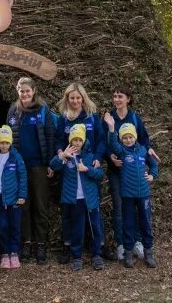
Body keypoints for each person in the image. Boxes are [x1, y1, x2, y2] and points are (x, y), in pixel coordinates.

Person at [102, 86, 161, 261]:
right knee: (120, 207)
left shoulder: (135, 118)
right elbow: (103, 141)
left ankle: (137, 242)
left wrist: (149, 152)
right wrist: (110, 156)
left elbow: (143, 140)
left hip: (134, 173)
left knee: (138, 208)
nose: (116, 99)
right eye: (114, 96)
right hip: (116, 171)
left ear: (128, 98)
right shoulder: (108, 118)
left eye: (120, 96)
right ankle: (122, 244)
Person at [54, 83, 108, 264]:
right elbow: (58, 140)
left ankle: (98, 247)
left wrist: (98, 158)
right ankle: (69, 246)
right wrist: (62, 153)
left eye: (78, 98)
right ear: (67, 99)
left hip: (89, 167)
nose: (75, 101)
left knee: (94, 209)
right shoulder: (64, 118)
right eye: (72, 98)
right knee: (70, 212)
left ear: (83, 98)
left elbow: (101, 139)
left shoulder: (91, 117)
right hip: (70, 168)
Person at [6, 77, 55, 265]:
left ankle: (41, 243)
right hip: (20, 166)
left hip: (39, 166)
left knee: (40, 206)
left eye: (28, 91)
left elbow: (50, 136)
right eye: (21, 91)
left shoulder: (43, 110)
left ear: (33, 91)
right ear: (17, 91)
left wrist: (51, 163)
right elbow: (8, 137)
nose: (25, 94)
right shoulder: (14, 110)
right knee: (23, 205)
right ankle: (26, 242)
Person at [49, 124, 104, 271]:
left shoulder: (90, 156)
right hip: (74, 199)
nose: (77, 143)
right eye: (75, 140)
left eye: (80, 140)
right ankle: (77, 257)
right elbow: (53, 165)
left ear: (84, 140)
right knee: (77, 228)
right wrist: (62, 155)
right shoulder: (67, 158)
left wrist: (87, 169)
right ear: (71, 141)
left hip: (90, 199)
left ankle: (96, 255)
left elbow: (99, 174)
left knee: (94, 227)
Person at [0, 125, 28, 269]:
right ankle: (4, 254)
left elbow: (22, 176)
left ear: (11, 143)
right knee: (2, 226)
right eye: (1, 142)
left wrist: (22, 195)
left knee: (15, 226)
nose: (4, 145)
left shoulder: (16, 156)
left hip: (14, 198)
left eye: (6, 142)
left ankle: (14, 253)